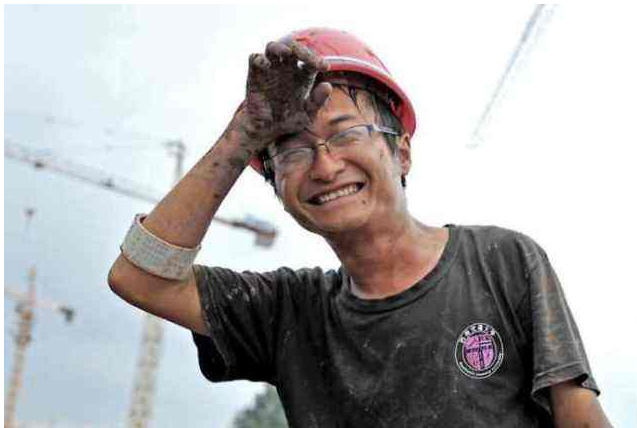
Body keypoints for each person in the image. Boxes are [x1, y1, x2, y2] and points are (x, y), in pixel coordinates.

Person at [108, 28, 612, 427]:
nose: (325, 167)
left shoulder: (501, 262)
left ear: (402, 152)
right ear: (278, 188)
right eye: (293, 149)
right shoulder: (289, 313)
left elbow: (580, 419)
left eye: (346, 133)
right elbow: (140, 278)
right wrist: (242, 138)